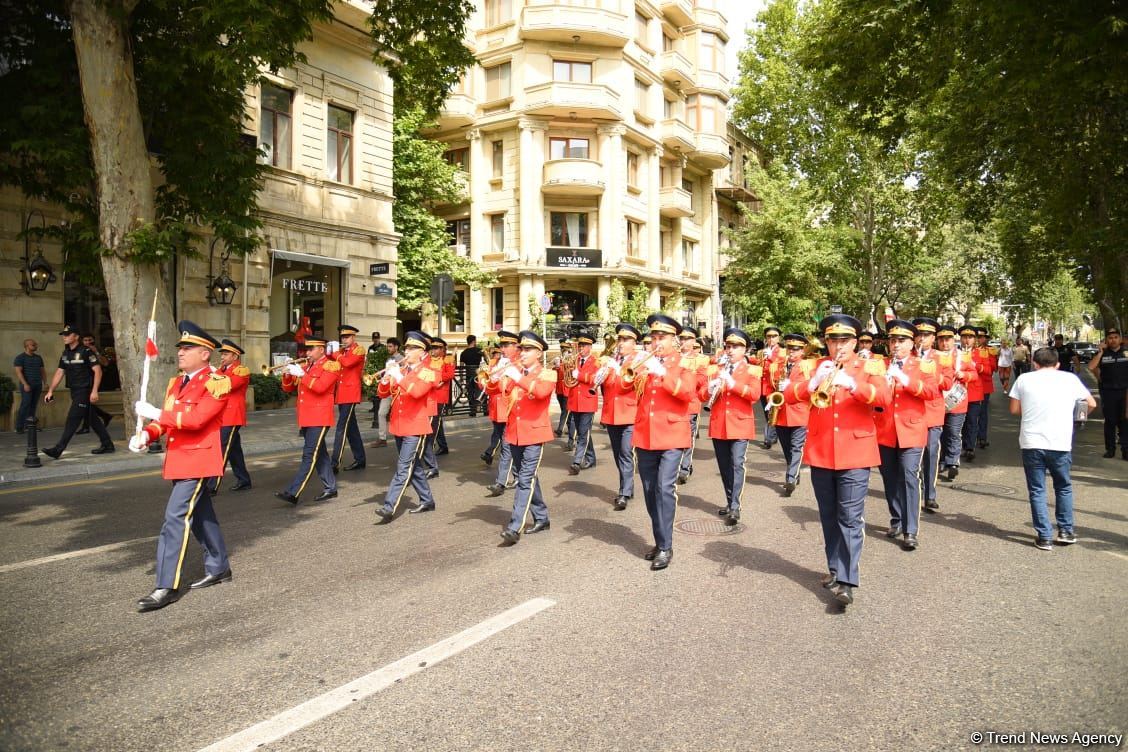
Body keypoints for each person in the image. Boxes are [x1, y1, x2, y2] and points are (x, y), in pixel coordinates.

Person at [782, 314, 890, 606]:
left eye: (844, 340)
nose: (838, 345)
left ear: (854, 341)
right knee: (829, 516)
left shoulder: (871, 365)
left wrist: (853, 385)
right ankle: (834, 568)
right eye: (832, 340)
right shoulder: (812, 366)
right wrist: (813, 382)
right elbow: (789, 395)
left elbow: (884, 397)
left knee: (850, 518)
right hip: (821, 451)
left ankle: (846, 580)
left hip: (855, 452)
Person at [130, 321, 232, 612]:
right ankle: (219, 566)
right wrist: (146, 436)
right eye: (181, 348)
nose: (181, 353)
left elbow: (197, 419)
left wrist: (157, 411)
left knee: (175, 518)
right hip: (179, 459)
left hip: (198, 460)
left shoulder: (216, 381)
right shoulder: (176, 382)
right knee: (200, 515)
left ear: (205, 353)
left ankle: (167, 586)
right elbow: (165, 422)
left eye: (188, 348)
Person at [1009, 347, 1096, 549]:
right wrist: (1075, 418)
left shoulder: (1024, 380)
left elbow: (1014, 409)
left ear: (1034, 363)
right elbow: (1090, 403)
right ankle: (1065, 530)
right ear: (1057, 364)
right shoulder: (1070, 379)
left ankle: (1045, 536)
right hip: (1060, 441)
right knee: (1063, 487)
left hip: (1031, 442)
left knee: (1037, 490)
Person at [633, 313, 696, 571]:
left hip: (672, 434)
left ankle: (666, 546)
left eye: (662, 337)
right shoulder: (646, 363)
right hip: (646, 434)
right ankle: (659, 540)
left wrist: (662, 372)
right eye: (654, 337)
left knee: (663, 488)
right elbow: (628, 389)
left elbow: (687, 393)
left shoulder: (685, 364)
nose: (657, 341)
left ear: (674, 340)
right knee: (649, 491)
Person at [487, 331, 558, 544]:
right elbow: (495, 391)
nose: (522, 352)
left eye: (527, 349)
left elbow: (541, 393)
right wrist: (494, 377)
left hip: (535, 433)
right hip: (515, 433)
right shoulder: (514, 371)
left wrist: (519, 377)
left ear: (538, 352)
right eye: (522, 349)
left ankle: (514, 526)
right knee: (528, 477)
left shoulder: (547, 373)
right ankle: (542, 517)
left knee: (524, 479)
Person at [876, 320, 940, 551]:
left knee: (909, 476)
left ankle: (910, 530)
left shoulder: (924, 366)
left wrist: (904, 379)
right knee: (889, 478)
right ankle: (897, 518)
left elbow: (932, 392)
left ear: (912, 342)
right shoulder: (878, 364)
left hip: (911, 431)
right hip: (884, 430)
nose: (895, 345)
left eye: (901, 340)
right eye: (892, 340)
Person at [374, 331, 439, 520]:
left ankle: (389, 506)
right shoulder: (401, 370)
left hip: (416, 426)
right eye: (407, 348)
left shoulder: (428, 372)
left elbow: (417, 392)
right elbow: (383, 394)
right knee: (414, 465)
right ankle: (427, 500)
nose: (408, 351)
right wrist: (386, 378)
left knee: (403, 466)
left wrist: (400, 377)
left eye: (412, 348)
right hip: (399, 425)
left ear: (422, 352)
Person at [702, 327, 762, 524]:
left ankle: (735, 506)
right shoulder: (716, 368)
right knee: (725, 466)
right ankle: (729, 501)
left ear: (745, 349)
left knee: (737, 464)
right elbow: (702, 394)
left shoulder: (752, 370)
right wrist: (709, 388)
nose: (730, 350)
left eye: (735, 346)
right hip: (719, 423)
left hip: (740, 423)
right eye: (728, 346)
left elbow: (754, 395)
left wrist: (732, 383)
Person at [275, 336, 340, 505]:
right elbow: (288, 388)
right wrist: (287, 375)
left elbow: (320, 388)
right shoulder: (306, 366)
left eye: (311, 350)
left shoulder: (331, 365)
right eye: (306, 350)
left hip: (319, 417)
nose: (307, 353)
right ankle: (330, 487)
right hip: (306, 417)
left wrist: (302, 374)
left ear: (321, 349)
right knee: (320, 454)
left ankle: (293, 492)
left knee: (309, 454)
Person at [42, 325, 115, 457]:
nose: (64, 337)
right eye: (63, 335)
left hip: (84, 390)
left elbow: (97, 371)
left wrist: (94, 391)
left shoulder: (86, 351)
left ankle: (58, 449)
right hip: (74, 390)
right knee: (92, 418)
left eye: (67, 334)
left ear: (76, 336)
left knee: (73, 418)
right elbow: (60, 372)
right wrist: (51, 390)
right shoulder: (65, 353)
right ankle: (107, 444)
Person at [600, 323, 641, 510]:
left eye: (626, 340)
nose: (621, 343)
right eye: (620, 339)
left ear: (634, 342)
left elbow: (629, 385)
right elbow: (604, 386)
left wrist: (616, 369)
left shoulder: (638, 360)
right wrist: (600, 374)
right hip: (611, 413)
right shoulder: (611, 359)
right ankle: (628, 485)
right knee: (618, 454)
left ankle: (624, 492)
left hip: (629, 413)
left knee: (625, 452)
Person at [913, 317, 949, 512]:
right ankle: (914, 490)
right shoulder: (908, 356)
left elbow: (948, 383)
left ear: (933, 338)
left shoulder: (941, 358)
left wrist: (929, 371)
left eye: (926, 335)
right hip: (910, 414)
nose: (921, 339)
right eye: (919, 335)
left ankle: (930, 494)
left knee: (931, 453)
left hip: (932, 413)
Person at [209, 339, 252, 494]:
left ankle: (212, 485)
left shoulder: (241, 370)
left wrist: (213, 375)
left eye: (226, 354)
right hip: (221, 415)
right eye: (222, 354)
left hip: (232, 415)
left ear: (235, 356)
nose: (222, 357)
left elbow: (229, 386)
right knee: (233, 450)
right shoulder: (221, 370)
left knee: (222, 450)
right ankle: (244, 479)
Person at [774, 334, 814, 496]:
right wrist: (772, 400)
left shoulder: (807, 366)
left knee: (796, 447)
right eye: (789, 348)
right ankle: (794, 471)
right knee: (786, 448)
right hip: (781, 412)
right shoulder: (778, 366)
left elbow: (810, 388)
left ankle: (790, 478)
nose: (791, 351)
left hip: (799, 412)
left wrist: (791, 385)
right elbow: (772, 388)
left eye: (795, 349)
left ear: (803, 350)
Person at [482, 331, 520, 496]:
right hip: (498, 408)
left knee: (507, 446)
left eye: (506, 346)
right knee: (509, 446)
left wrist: (500, 377)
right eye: (501, 346)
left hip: (513, 409)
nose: (502, 349)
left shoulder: (519, 363)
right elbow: (490, 389)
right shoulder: (498, 362)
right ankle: (515, 477)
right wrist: (485, 379)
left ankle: (501, 482)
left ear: (516, 346)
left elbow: (510, 387)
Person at [937, 324, 973, 482]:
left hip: (956, 402)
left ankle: (952, 462)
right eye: (942, 340)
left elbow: (973, 374)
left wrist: (963, 374)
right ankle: (941, 460)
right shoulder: (931, 356)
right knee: (938, 434)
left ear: (953, 340)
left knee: (953, 432)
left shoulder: (962, 356)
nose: (945, 343)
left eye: (948, 339)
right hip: (936, 401)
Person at [329, 324, 367, 472]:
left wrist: (335, 353)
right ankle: (360, 459)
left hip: (351, 393)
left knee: (341, 428)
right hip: (342, 394)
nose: (344, 340)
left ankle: (335, 462)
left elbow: (347, 363)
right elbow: (332, 363)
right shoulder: (342, 352)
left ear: (353, 337)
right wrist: (327, 351)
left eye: (347, 337)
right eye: (342, 337)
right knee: (352, 429)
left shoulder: (359, 350)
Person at [1088, 328, 1128, 459]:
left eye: (1116, 337)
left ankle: (1125, 449)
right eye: (1110, 338)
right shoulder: (1103, 354)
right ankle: (1110, 449)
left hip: (1125, 392)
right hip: (1109, 392)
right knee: (1110, 421)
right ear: (1106, 340)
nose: (1113, 340)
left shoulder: (1126, 352)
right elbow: (1091, 367)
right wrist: (1100, 352)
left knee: (1125, 421)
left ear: (1120, 339)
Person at [677, 328, 708, 484]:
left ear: (694, 341)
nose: (683, 341)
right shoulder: (673, 357)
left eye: (688, 339)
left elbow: (702, 381)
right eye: (681, 338)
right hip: (673, 405)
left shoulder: (701, 360)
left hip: (690, 404)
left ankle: (684, 468)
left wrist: (685, 370)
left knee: (688, 438)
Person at [421, 337, 454, 478]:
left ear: (442, 349)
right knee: (435, 423)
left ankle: (429, 454)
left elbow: (450, 374)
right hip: (428, 394)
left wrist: (437, 377)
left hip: (440, 395)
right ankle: (442, 446)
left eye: (436, 348)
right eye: (432, 348)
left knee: (433, 426)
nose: (433, 351)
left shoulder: (448, 359)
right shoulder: (427, 359)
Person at [567, 335, 599, 475]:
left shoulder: (596, 361)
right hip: (575, 401)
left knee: (583, 432)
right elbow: (567, 377)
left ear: (590, 347)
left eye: (584, 346)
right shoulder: (575, 360)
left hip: (588, 401)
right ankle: (591, 458)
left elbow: (595, 379)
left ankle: (577, 461)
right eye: (580, 346)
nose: (581, 348)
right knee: (582, 432)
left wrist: (578, 375)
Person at [76, 334, 114, 434]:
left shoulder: (98, 350)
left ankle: (87, 426)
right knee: (85, 403)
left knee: (84, 403)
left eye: (90, 340)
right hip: (82, 379)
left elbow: (105, 363)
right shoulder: (79, 350)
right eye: (85, 340)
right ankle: (104, 416)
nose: (88, 343)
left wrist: (96, 352)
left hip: (93, 379)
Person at [758, 326, 784, 449]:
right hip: (763, 388)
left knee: (772, 412)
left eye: (774, 336)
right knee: (767, 412)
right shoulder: (761, 352)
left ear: (779, 338)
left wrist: (771, 357)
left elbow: (782, 366)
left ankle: (769, 438)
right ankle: (774, 435)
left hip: (774, 387)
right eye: (769, 336)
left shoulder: (783, 352)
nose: (771, 338)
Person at [373, 337, 402, 440]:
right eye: (387, 346)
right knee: (381, 413)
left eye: (390, 346)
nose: (388, 348)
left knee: (397, 414)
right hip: (387, 390)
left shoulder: (401, 359)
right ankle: (382, 438)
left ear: (396, 347)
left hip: (397, 391)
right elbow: (387, 373)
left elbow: (403, 375)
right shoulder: (389, 359)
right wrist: (381, 378)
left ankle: (401, 435)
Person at [13, 338, 44, 432]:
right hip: (27, 385)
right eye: (33, 345)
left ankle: (30, 425)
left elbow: (42, 371)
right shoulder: (20, 358)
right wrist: (25, 384)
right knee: (25, 404)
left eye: (35, 344)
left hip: (37, 384)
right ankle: (19, 427)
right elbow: (19, 373)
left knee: (33, 405)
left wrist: (45, 382)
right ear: (27, 346)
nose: (35, 346)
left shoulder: (38, 358)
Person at [975, 327, 998, 449]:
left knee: (982, 413)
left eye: (981, 337)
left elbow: (993, 368)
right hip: (970, 385)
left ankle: (982, 437)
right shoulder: (968, 350)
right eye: (977, 337)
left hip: (984, 385)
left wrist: (980, 365)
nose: (979, 339)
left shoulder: (991, 351)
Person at [460, 334, 485, 417]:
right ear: (474, 341)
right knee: (480, 391)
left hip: (468, 375)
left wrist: (461, 377)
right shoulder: (479, 350)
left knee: (470, 392)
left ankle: (472, 411)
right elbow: (487, 360)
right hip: (478, 375)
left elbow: (461, 366)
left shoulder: (463, 353)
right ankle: (484, 410)